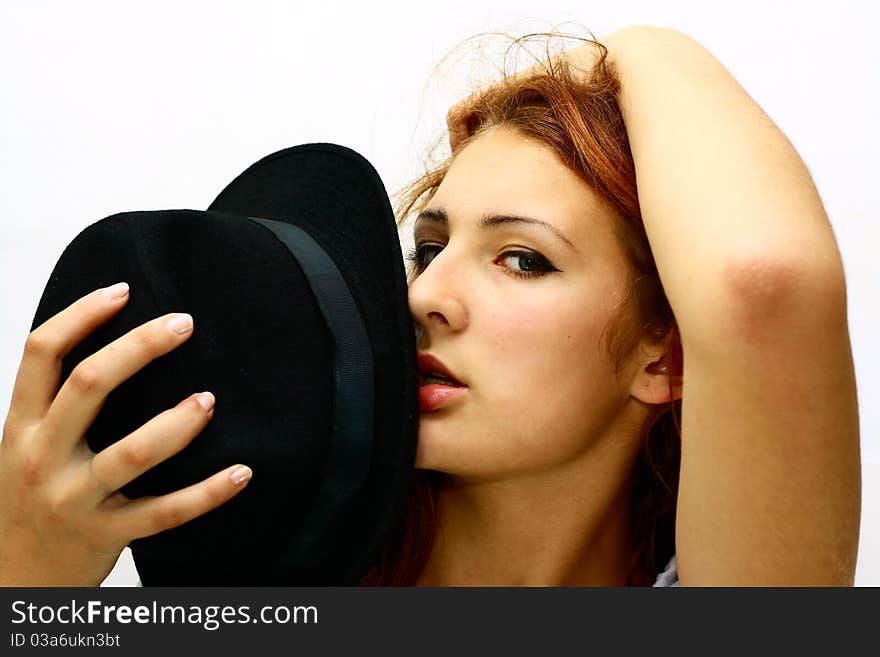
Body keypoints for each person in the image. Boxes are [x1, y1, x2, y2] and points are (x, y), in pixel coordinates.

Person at [0, 25, 860, 587]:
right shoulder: (282, 573)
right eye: (431, 246)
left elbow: (763, 281)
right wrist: (28, 581)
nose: (429, 297)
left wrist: (623, 49)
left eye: (521, 260)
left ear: (663, 357)